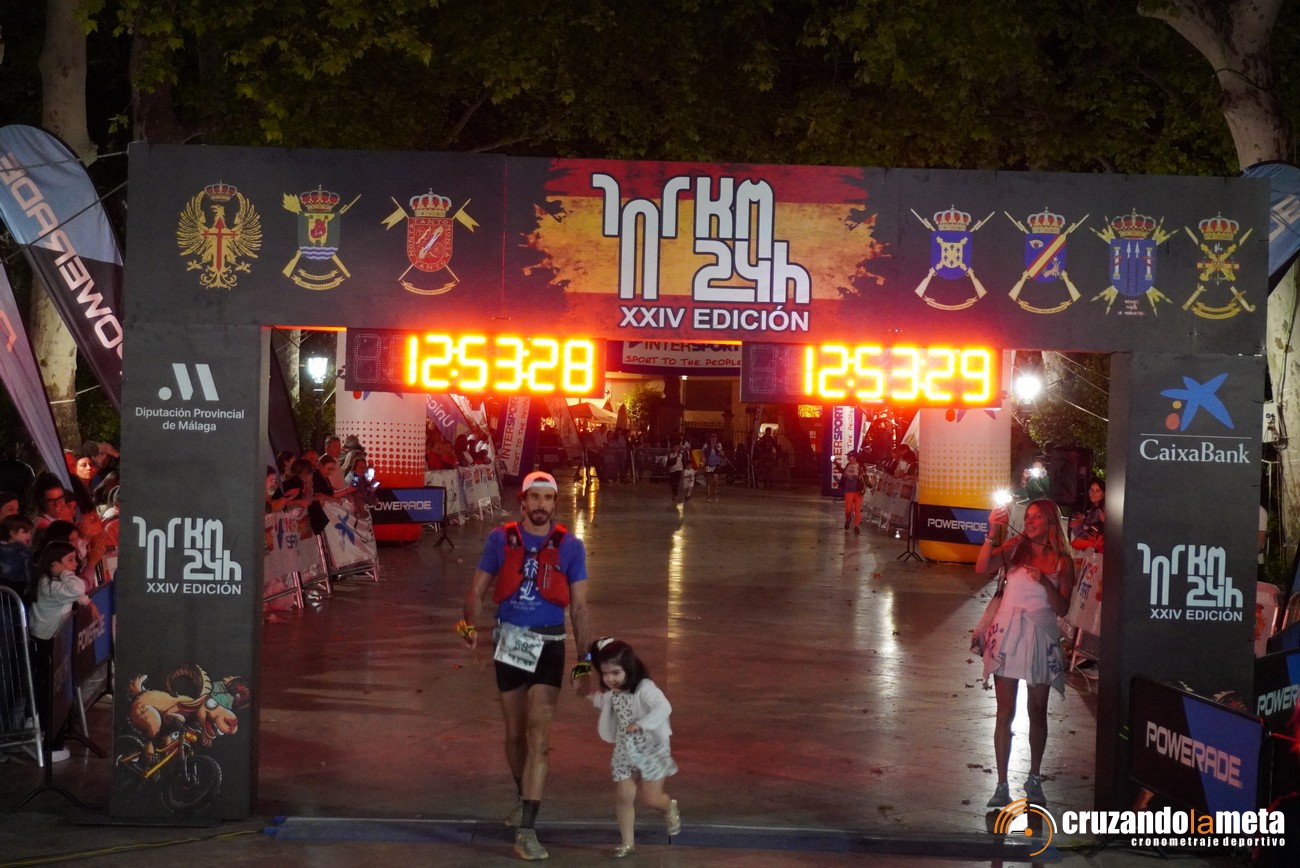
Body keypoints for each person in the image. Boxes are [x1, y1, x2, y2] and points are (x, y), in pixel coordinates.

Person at [459, 471, 594, 861]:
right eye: (534, 497)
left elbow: (580, 607)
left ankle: (527, 830)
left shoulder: (571, 547)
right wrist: (468, 625)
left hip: (550, 644)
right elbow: (477, 590)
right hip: (511, 642)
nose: (540, 505)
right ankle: (523, 795)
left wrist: (584, 662)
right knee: (516, 734)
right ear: (522, 502)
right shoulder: (499, 540)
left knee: (539, 737)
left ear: (554, 504)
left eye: (547, 498)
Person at [975, 498, 1075, 808]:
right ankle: (1001, 783)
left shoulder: (1062, 560)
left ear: (1050, 522)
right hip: (1008, 632)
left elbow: (1063, 608)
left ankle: (1034, 777)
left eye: (1036, 517)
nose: (1029, 521)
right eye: (1027, 516)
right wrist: (992, 530)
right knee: (1004, 711)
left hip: (1040, 635)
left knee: (1037, 710)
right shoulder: (1016, 546)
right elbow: (982, 567)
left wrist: (1045, 582)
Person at [588, 637, 681, 858]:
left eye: (615, 672)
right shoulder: (613, 692)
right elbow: (593, 695)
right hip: (625, 749)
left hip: (651, 749)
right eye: (605, 673)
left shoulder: (645, 688)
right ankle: (627, 843)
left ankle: (668, 806)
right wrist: (580, 671)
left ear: (628, 668)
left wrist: (641, 724)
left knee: (651, 799)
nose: (610, 678)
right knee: (624, 797)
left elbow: (664, 707)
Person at [28, 540, 102, 763]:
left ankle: (42, 728)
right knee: (53, 690)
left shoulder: (53, 581)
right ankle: (50, 745)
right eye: (70, 560)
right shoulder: (48, 584)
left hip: (52, 640)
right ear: (53, 564)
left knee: (51, 688)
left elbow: (76, 594)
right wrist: (65, 573)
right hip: (46, 642)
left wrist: (89, 603)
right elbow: (76, 588)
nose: (76, 563)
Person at [1069, 478, 1105, 551]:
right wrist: (1080, 522)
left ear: (1104, 493)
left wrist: (1079, 526)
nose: (1093, 493)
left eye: (1097, 491)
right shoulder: (1092, 509)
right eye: (1091, 490)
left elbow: (1086, 533)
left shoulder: (1102, 510)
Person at [838, 453, 865, 534]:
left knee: (857, 509)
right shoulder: (848, 465)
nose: (848, 458)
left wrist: (870, 487)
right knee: (848, 509)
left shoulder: (860, 467)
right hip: (849, 490)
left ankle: (856, 526)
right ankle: (848, 518)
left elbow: (865, 477)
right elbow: (843, 473)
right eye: (848, 456)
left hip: (858, 491)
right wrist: (836, 464)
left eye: (850, 457)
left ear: (855, 458)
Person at [701, 434, 726, 502]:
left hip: (716, 464)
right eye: (712, 438)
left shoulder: (718, 445)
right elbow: (702, 453)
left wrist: (719, 449)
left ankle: (715, 494)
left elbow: (722, 454)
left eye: (715, 438)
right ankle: (708, 496)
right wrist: (703, 461)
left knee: (715, 481)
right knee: (709, 481)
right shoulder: (706, 445)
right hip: (708, 464)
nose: (714, 440)